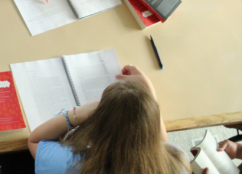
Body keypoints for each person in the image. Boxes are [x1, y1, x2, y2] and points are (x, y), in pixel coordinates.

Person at [28, 65, 190, 174]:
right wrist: (149, 97)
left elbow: (34, 141)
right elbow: (161, 145)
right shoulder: (178, 162)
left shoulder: (68, 163)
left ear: (98, 122)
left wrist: (75, 116)